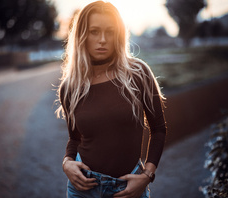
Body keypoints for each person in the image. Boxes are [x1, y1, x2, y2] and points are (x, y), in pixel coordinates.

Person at [56, 1, 166, 197]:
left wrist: (147, 175)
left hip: (129, 188)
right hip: (83, 188)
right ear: (82, 35)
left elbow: (158, 129)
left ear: (119, 35)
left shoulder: (138, 73)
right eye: (94, 31)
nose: (103, 39)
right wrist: (66, 163)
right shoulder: (69, 87)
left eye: (110, 31)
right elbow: (75, 138)